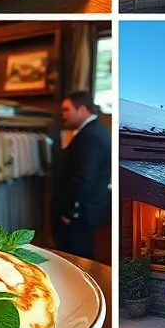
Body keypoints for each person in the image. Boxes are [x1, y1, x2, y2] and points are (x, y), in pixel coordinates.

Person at [55, 91, 111, 260]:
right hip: (86, 211)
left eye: (66, 109)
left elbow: (83, 178)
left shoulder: (89, 137)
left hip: (80, 214)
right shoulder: (95, 132)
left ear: (82, 109)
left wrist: (69, 212)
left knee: (76, 258)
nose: (63, 115)